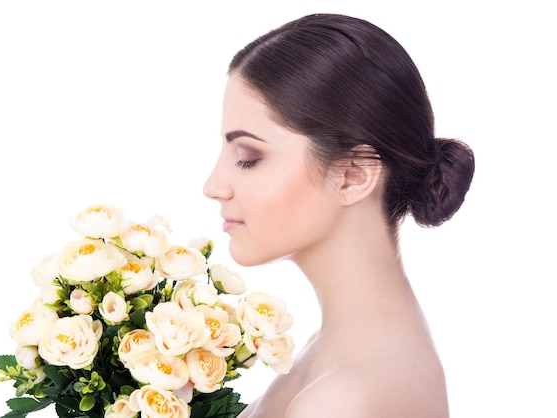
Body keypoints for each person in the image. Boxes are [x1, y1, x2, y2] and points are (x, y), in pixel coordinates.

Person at [203, 13, 474, 418]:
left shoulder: (344, 398)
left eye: (248, 157)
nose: (213, 186)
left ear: (354, 175)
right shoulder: (343, 349)